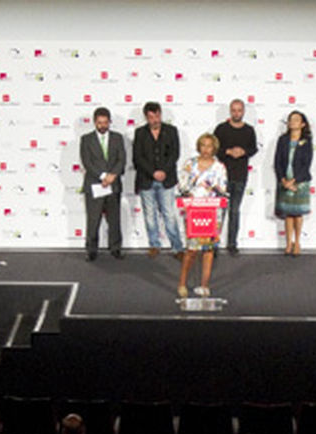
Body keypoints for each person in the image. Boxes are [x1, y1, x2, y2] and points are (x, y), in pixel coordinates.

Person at [176, 132, 229, 298]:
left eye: (209, 146)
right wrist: (190, 194)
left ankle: (204, 285)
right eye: (203, 145)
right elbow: (182, 185)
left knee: (208, 249)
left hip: (213, 212)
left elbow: (223, 189)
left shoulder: (220, 167)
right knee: (192, 249)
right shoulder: (189, 164)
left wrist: (212, 191)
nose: (206, 149)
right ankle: (182, 283)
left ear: (214, 148)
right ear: (199, 147)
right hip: (193, 210)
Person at [133, 101, 184, 258]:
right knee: (150, 215)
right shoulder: (140, 133)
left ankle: (177, 247)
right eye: (151, 117)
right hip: (146, 180)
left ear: (161, 114)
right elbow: (137, 157)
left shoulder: (171, 131)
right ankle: (154, 244)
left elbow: (175, 154)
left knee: (169, 214)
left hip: (167, 180)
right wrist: (153, 172)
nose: (155, 120)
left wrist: (163, 171)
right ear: (146, 117)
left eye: (157, 116)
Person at [81, 106, 126, 261]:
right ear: (94, 122)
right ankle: (91, 250)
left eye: (105, 122)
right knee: (93, 220)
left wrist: (112, 176)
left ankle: (116, 248)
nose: (102, 126)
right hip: (95, 185)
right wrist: (103, 176)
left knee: (114, 219)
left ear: (110, 122)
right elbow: (87, 162)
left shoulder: (118, 138)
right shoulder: (86, 139)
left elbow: (122, 160)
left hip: (113, 184)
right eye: (99, 123)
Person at [214, 98, 257, 255]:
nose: (236, 113)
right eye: (234, 110)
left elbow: (253, 148)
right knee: (219, 212)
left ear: (243, 111)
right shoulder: (221, 129)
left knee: (234, 211)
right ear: (230, 111)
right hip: (222, 177)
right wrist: (228, 152)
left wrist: (243, 152)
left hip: (240, 176)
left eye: (239, 110)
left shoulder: (249, 130)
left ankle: (232, 243)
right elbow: (214, 148)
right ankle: (214, 243)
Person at [273, 110, 313, 256]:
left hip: (300, 182)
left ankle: (298, 242)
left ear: (303, 124)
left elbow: (306, 164)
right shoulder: (282, 140)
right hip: (284, 181)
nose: (293, 122)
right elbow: (277, 162)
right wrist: (283, 180)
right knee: (288, 214)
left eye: (296, 120)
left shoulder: (307, 141)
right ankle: (288, 243)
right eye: (291, 119)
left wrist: (293, 181)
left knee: (298, 214)